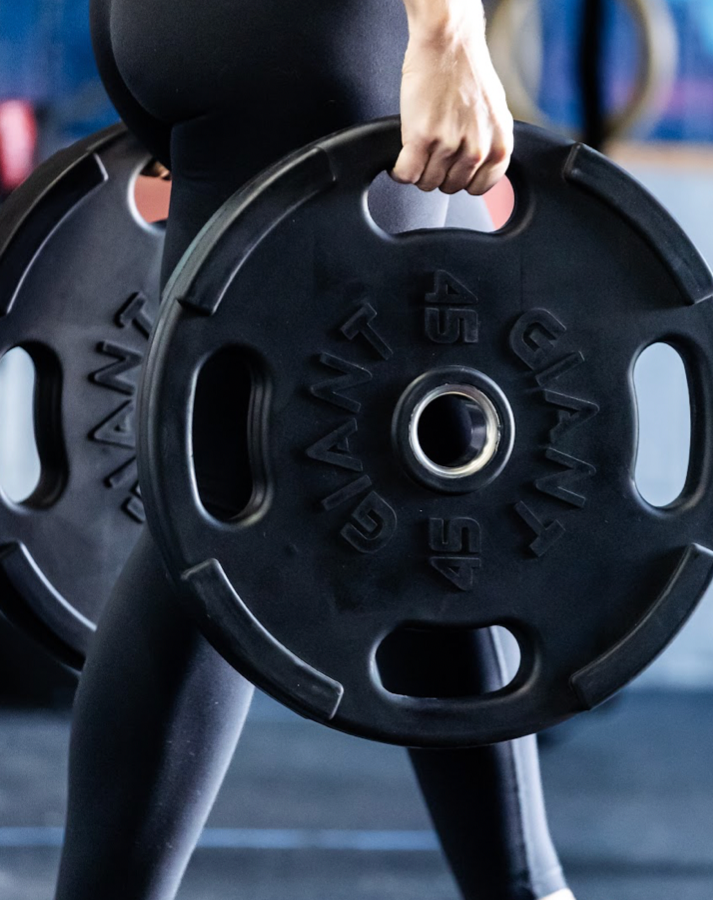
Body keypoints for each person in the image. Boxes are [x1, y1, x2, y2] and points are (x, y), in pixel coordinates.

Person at [55, 3, 575, 900]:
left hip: (170, 30)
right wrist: (448, 30)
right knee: (435, 464)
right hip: (312, 33)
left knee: (247, 474)